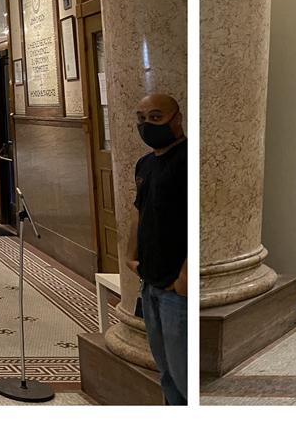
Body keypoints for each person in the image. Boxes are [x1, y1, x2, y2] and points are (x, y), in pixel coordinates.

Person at [131, 93, 187, 405]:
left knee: (183, 373)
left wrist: (185, 274)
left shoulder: (187, 160)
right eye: (141, 119)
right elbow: (139, 211)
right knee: (165, 371)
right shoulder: (145, 163)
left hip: (176, 287)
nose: (147, 125)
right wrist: (130, 256)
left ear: (177, 118)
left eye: (155, 117)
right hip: (150, 281)